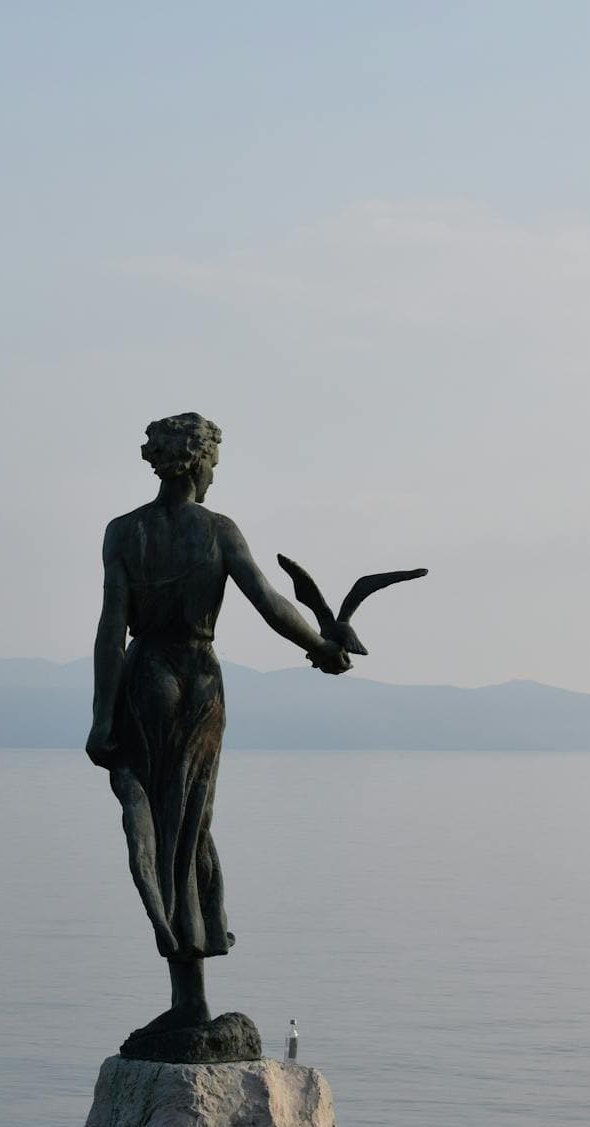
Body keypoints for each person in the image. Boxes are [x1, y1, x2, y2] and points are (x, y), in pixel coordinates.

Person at [85, 413, 350, 1037]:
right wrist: (321, 647)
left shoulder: (124, 533)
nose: (212, 475)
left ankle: (187, 995)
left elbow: (109, 628)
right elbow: (269, 602)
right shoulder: (217, 531)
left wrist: (101, 716)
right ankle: (192, 1000)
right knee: (189, 829)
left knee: (161, 827)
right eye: (213, 464)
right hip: (199, 680)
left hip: (145, 678)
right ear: (198, 463)